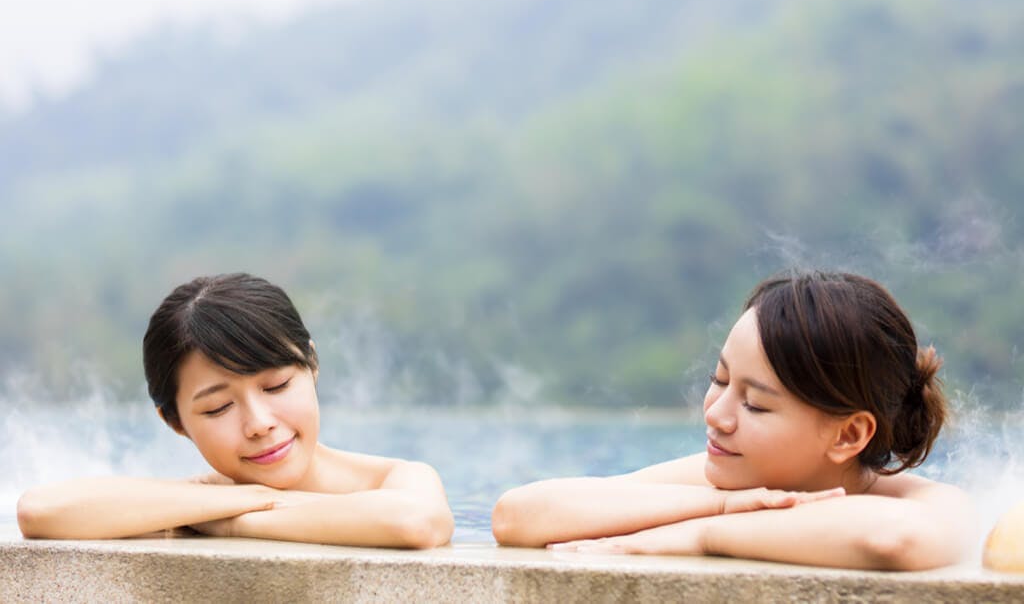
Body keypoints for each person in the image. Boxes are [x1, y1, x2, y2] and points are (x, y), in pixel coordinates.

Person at [491, 270, 975, 570]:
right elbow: (519, 515)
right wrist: (723, 508)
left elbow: (894, 539)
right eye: (719, 380)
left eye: (756, 404)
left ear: (848, 434)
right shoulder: (729, 483)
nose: (716, 415)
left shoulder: (925, 502)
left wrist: (702, 536)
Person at [17, 273, 454, 548]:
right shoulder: (206, 499)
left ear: (313, 366)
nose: (260, 423)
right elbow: (41, 511)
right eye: (219, 407)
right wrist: (251, 498)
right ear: (175, 422)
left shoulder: (395, 478)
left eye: (277, 385)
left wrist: (234, 524)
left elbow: (416, 522)